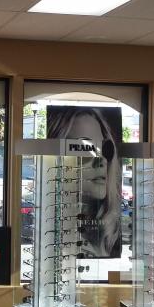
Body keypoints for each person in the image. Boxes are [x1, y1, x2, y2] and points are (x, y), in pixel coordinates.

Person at [47, 107, 122, 258]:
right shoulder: (50, 232)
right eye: (86, 148)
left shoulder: (111, 237)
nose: (101, 161)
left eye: (105, 148)